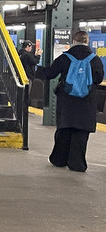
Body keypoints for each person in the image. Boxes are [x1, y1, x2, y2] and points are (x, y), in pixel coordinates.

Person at [39, 31, 104, 172]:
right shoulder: (95, 59)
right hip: (87, 101)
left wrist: (33, 70)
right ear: (87, 41)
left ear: (74, 41)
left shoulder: (65, 57)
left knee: (64, 129)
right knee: (81, 132)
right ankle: (77, 164)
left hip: (67, 100)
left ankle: (59, 159)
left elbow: (50, 73)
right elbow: (98, 79)